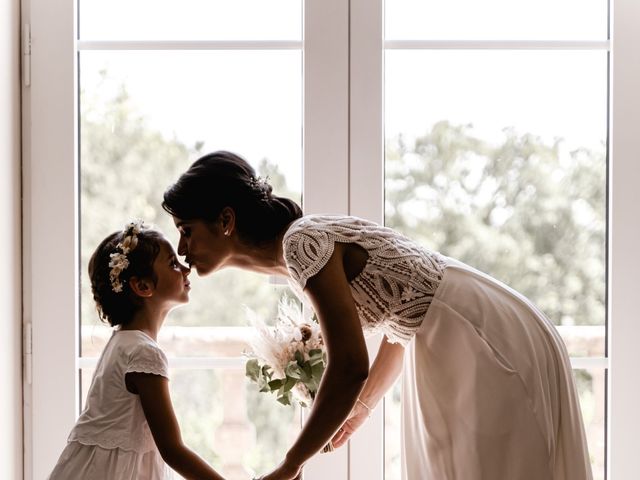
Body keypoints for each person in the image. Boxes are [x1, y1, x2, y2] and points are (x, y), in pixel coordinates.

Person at [162, 151, 593, 480]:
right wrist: (362, 409)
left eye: (186, 230)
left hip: (475, 330)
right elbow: (400, 320)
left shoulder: (301, 243)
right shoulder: (297, 253)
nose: (182, 249)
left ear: (225, 220)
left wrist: (292, 463)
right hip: (441, 334)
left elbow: (350, 365)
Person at [48, 220, 226, 480]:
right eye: (173, 264)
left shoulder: (122, 341)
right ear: (143, 286)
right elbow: (172, 450)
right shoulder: (144, 353)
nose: (186, 268)